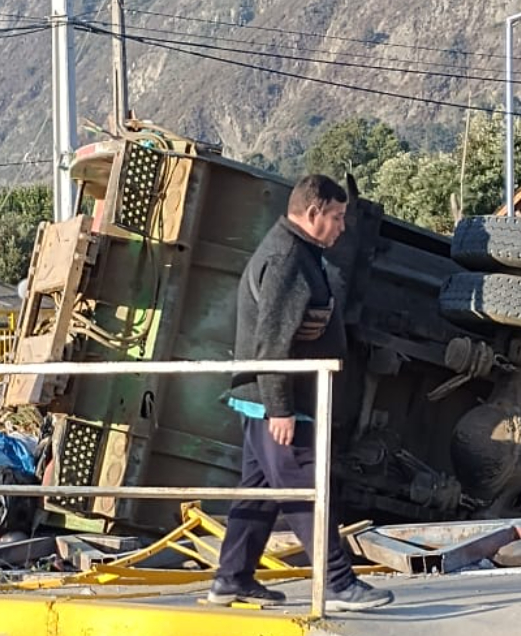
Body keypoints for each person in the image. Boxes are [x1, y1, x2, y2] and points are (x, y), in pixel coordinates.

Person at [208, 175, 393, 612]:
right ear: (313, 214)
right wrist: (281, 408)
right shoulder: (290, 258)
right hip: (278, 400)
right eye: (336, 216)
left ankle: (231, 579)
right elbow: (272, 341)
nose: (342, 226)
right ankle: (338, 582)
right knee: (306, 489)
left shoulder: (293, 251)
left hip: (265, 398)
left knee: (259, 492)